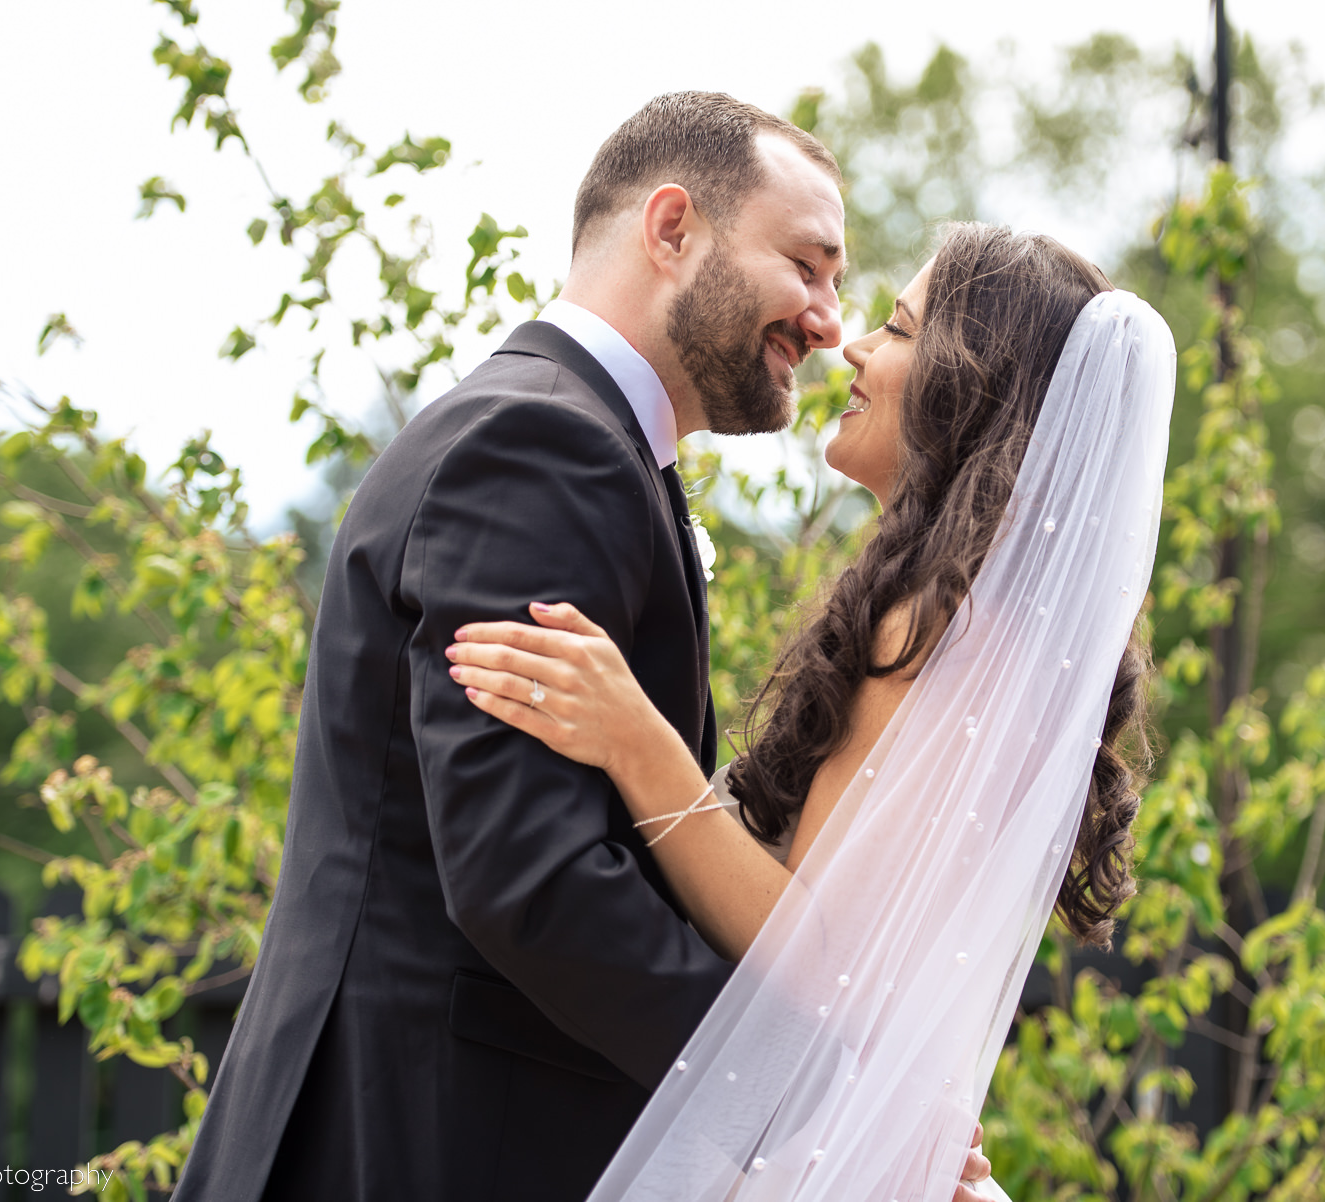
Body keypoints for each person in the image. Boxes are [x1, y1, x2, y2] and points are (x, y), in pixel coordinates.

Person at [170, 92, 902, 1202]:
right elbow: (530, 876)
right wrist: (797, 1098)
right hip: (418, 1142)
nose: (829, 319)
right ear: (672, 228)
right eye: (809, 265)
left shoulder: (582, 442)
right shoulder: (545, 443)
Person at [447, 224, 1176, 1201]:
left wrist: (634, 739)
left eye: (896, 326)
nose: (854, 348)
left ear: (972, 385)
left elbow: (820, 956)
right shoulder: (1009, 642)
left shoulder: (935, 625)